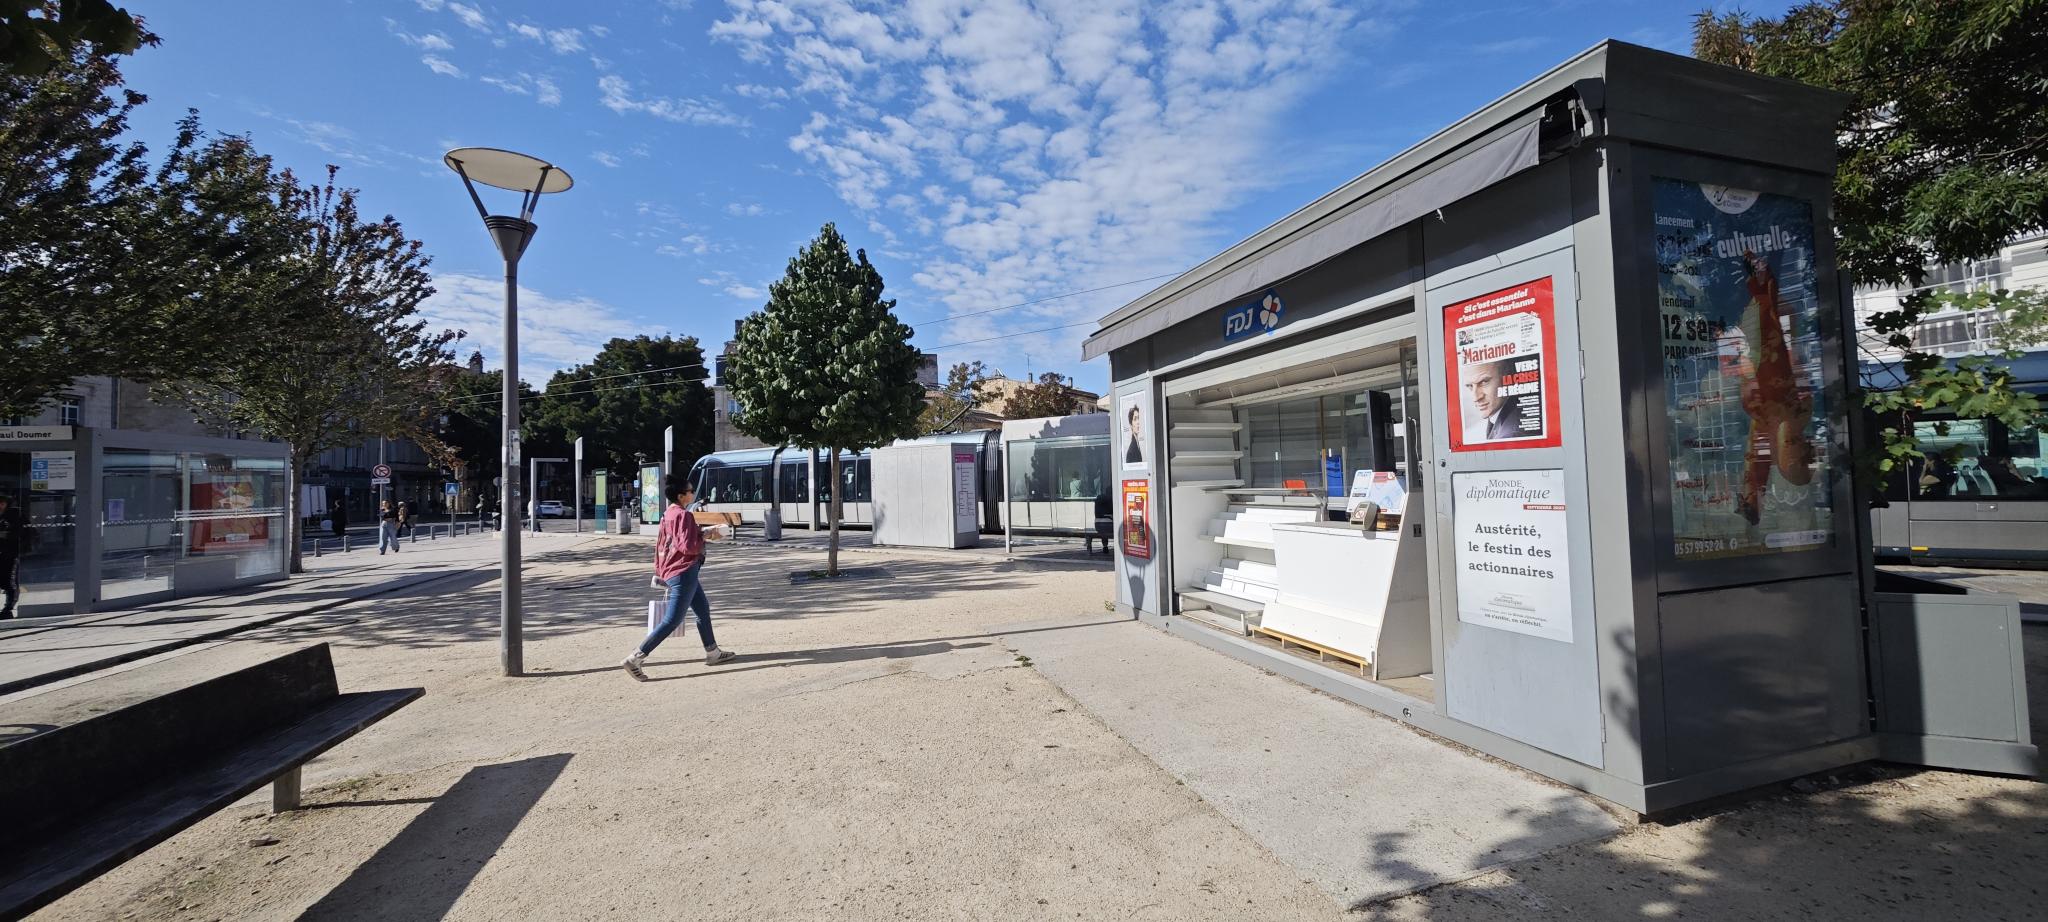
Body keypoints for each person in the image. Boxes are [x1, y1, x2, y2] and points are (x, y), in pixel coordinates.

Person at [623, 476, 736, 680]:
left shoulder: (669, 514)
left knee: (702, 609)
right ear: (681, 495)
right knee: (672, 619)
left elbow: (663, 544)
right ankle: (635, 658)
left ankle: (713, 652)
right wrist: (707, 535)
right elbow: (688, 546)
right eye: (690, 491)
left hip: (676, 569)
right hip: (683, 571)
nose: (693, 494)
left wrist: (660, 570)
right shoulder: (684, 515)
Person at [0, 494, 25, 618]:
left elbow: (18, 533)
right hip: (3, 552)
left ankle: (8, 608)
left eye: (2, 503)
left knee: (9, 580)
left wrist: (4, 534)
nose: (0, 506)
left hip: (10, 553)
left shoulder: (14, 515)